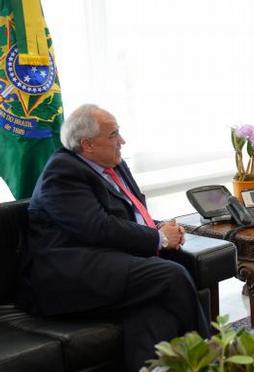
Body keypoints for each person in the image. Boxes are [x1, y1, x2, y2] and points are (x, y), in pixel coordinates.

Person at [18, 104, 210, 372]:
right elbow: (96, 227)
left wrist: (159, 227)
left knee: (151, 309)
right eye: (113, 135)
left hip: (107, 262)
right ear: (87, 144)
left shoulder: (114, 165)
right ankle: (213, 360)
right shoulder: (61, 173)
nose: (122, 141)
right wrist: (159, 239)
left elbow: (128, 215)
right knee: (170, 275)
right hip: (67, 274)